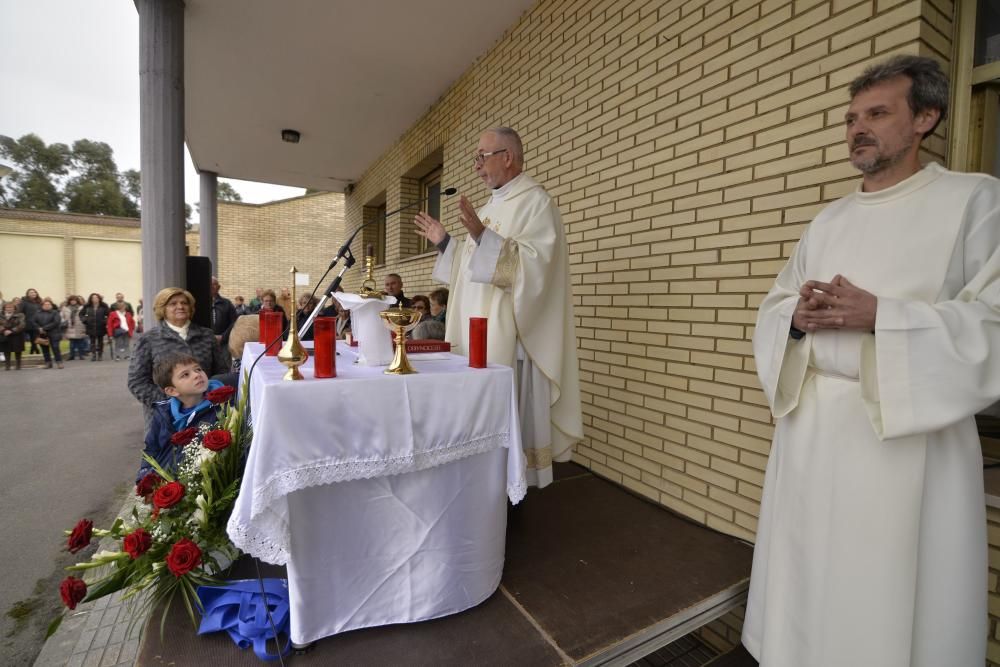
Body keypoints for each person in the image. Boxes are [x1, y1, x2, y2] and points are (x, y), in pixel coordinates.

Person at [744, 56, 993, 667]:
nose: (858, 128)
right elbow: (777, 304)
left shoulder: (973, 201)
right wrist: (795, 320)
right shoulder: (828, 219)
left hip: (907, 443)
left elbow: (992, 319)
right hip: (812, 435)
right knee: (809, 579)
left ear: (925, 119)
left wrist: (884, 315)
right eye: (852, 118)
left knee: (888, 599)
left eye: (878, 113)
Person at [414, 126, 583, 487]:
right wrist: (446, 243)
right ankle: (484, 484)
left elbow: (537, 267)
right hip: (479, 331)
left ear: (507, 157)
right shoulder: (494, 206)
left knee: (509, 429)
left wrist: (481, 236)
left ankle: (511, 490)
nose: (476, 166)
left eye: (482, 156)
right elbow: (469, 268)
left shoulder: (536, 203)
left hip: (511, 338)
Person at [127, 287, 230, 427]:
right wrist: (171, 402)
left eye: (184, 303)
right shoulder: (148, 339)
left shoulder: (207, 336)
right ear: (162, 309)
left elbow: (221, 372)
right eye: (173, 303)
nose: (180, 306)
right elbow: (137, 381)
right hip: (165, 418)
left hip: (207, 411)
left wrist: (208, 398)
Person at [136, 352, 225, 483]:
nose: (197, 375)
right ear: (172, 391)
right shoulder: (162, 412)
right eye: (185, 374)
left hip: (204, 483)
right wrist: (144, 478)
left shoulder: (221, 407)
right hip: (166, 484)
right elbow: (151, 448)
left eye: (198, 369)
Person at [209, 277, 238, 354]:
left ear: (218, 287)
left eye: (214, 284)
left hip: (223, 343)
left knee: (224, 365)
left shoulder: (227, 303)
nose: (211, 286)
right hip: (206, 342)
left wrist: (223, 337)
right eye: (209, 284)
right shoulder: (200, 302)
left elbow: (234, 322)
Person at [33, 297, 65, 369]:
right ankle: (48, 363)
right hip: (42, 334)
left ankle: (59, 362)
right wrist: (39, 328)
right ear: (42, 305)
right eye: (45, 304)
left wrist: (44, 328)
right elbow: (33, 322)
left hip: (54, 333)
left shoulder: (55, 312)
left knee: (55, 348)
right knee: (45, 349)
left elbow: (56, 322)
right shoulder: (37, 313)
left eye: (48, 304)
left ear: (51, 305)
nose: (47, 305)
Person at [81, 293, 110, 362]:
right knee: (92, 341)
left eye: (96, 297)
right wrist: (85, 320)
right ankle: (93, 355)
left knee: (100, 341)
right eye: (93, 298)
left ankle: (100, 355)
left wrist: (105, 321)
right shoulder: (87, 306)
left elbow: (109, 315)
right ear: (91, 299)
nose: (95, 299)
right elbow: (81, 314)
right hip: (91, 326)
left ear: (99, 298)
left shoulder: (104, 306)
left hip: (101, 326)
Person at [61, 295, 89, 361]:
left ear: (77, 301)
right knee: (72, 343)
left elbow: (85, 316)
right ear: (69, 301)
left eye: (74, 300)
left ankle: (81, 355)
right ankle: (71, 355)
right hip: (70, 326)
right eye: (71, 300)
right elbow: (61, 316)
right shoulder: (65, 308)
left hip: (79, 326)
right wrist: (64, 322)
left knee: (80, 342)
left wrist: (84, 321)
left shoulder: (82, 308)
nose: (73, 301)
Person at [1, 301, 25, 370]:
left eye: (11, 307)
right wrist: (4, 330)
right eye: (7, 307)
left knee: (18, 350)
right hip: (4, 335)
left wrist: (11, 331)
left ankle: (18, 365)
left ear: (14, 308)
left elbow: (22, 325)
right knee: (6, 350)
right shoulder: (1, 315)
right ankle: (7, 365)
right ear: (4, 308)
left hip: (17, 335)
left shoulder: (20, 315)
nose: (9, 308)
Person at [21, 288, 42, 355]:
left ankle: (33, 351)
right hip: (28, 323)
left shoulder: (39, 301)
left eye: (34, 292)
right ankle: (36, 350)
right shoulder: (24, 302)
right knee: (33, 338)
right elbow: (20, 312)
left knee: (35, 338)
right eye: (31, 292)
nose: (33, 293)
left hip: (38, 323)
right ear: (28, 294)